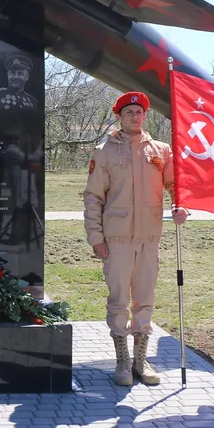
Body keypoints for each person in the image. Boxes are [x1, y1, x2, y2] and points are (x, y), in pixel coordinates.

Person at [82, 91, 188, 386]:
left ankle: (141, 361)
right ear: (119, 116)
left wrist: (181, 206)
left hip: (149, 236)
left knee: (145, 301)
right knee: (119, 301)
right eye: (129, 112)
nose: (135, 116)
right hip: (115, 239)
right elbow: (93, 197)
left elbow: (176, 185)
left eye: (140, 112)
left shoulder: (161, 150)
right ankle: (123, 363)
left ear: (145, 116)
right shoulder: (104, 151)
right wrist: (96, 238)